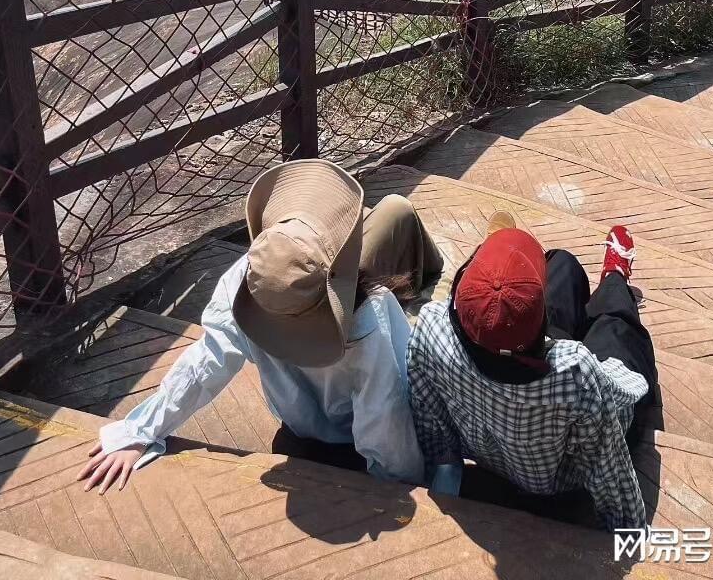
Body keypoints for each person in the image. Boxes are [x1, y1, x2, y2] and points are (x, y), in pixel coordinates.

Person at [78, 160, 443, 493]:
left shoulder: (249, 280)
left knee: (395, 211)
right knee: (396, 208)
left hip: (299, 429)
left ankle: (424, 262)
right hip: (352, 443)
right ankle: (431, 272)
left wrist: (140, 431)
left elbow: (206, 363)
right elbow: (385, 417)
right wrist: (402, 485)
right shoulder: (370, 315)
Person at [407, 218, 657, 530]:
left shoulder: (430, 327)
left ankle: (599, 293)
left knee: (561, 263)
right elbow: (607, 456)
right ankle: (616, 279)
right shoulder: (575, 370)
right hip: (550, 481)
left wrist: (443, 470)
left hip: (492, 410)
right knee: (616, 327)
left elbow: (428, 416)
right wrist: (626, 530)